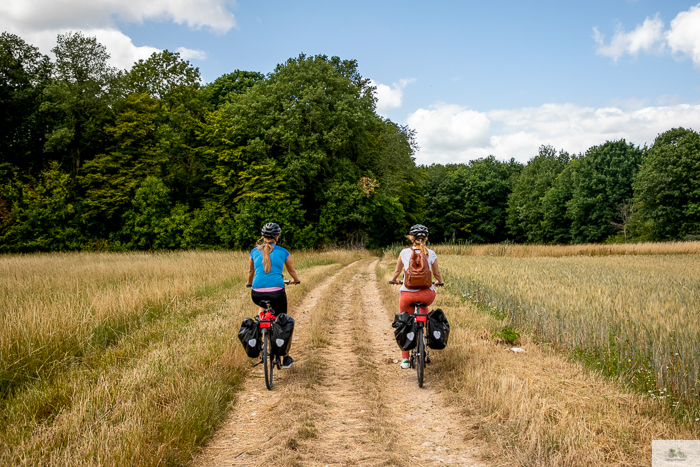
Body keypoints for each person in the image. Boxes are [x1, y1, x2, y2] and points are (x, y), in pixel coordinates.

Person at [246, 222, 300, 369]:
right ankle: (285, 357)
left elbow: (251, 272)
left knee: (262, 307)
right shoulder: (283, 252)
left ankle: (260, 326)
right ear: (277, 237)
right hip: (277, 293)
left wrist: (249, 284)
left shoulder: (254, 251)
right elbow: (292, 271)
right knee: (281, 321)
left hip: (256, 293)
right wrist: (295, 280)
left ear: (263, 236)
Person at [389, 224, 444, 369]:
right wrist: (439, 281)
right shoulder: (431, 253)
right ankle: (425, 330)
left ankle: (405, 359)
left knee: (404, 322)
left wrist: (394, 280)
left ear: (411, 238)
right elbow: (437, 274)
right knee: (424, 308)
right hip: (427, 295)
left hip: (407, 295)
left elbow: (397, 271)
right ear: (425, 239)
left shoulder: (404, 252)